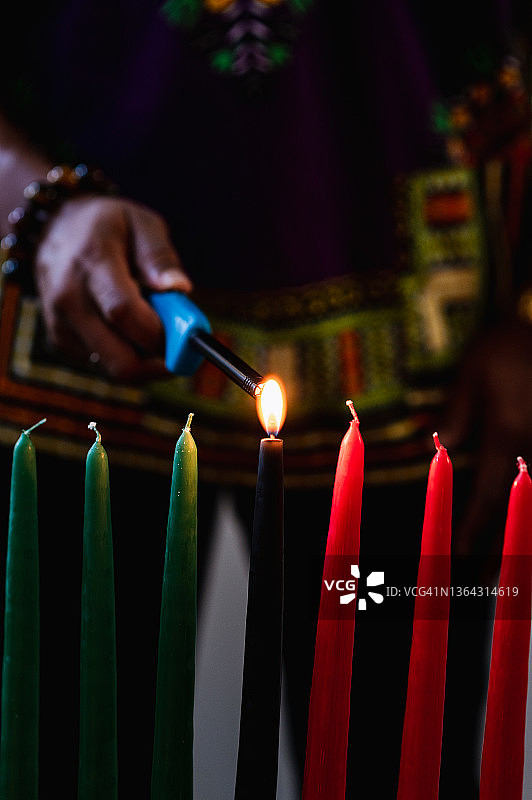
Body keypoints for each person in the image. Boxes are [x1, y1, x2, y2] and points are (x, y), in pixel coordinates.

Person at [0, 1, 531, 797]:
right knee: (69, 754)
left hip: (434, 386)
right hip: (77, 366)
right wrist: (34, 203)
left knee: (396, 760)